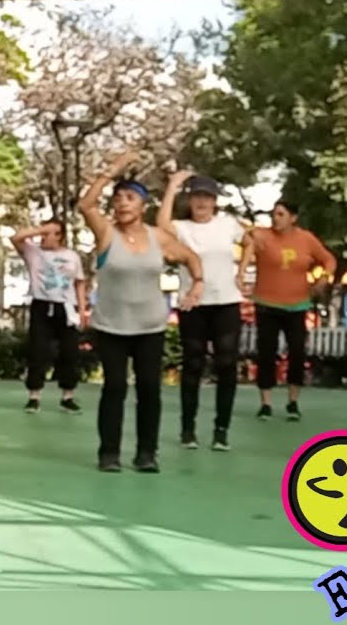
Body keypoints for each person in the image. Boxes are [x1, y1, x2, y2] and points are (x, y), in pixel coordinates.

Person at [78, 151, 204, 474]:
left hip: (150, 327)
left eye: (130, 198)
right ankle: (109, 454)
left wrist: (197, 286)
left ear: (142, 206)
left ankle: (146, 453)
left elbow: (191, 258)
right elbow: (86, 206)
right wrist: (112, 170)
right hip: (111, 326)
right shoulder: (106, 233)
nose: (122, 204)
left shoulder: (157, 237)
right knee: (115, 387)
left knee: (149, 389)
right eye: (118, 199)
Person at [157, 171, 248, 452]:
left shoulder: (228, 225)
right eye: (197, 196)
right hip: (193, 304)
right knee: (193, 365)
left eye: (207, 197)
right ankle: (188, 429)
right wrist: (172, 185)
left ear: (215, 201)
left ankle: (221, 430)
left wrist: (242, 272)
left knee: (226, 365)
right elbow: (161, 226)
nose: (202, 202)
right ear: (190, 200)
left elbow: (251, 241)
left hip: (226, 303)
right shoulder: (182, 227)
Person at [240, 200, 336, 422]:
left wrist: (323, 278)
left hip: (297, 305)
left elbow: (329, 259)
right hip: (266, 304)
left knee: (297, 353)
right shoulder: (262, 235)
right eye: (274, 214)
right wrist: (243, 268)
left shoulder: (306, 239)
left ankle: (293, 402)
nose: (276, 218)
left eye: (281, 214)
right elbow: (245, 238)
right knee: (266, 353)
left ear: (293, 218)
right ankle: (265, 403)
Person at [10, 220, 89, 414]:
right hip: (41, 306)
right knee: (38, 350)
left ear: (60, 235)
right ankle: (34, 396)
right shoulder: (33, 252)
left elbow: (79, 283)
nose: (44, 236)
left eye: (50, 233)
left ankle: (67, 397)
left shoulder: (72, 256)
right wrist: (40, 229)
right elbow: (15, 237)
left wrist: (83, 310)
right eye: (43, 233)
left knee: (70, 352)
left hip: (66, 307)